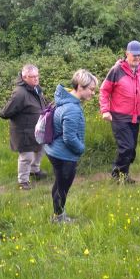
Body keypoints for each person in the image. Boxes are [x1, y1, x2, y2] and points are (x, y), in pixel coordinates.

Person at [100, 40, 140, 184]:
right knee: (127, 147)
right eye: (134, 55)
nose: (137, 58)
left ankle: (122, 174)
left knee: (131, 150)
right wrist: (105, 110)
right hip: (119, 116)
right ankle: (117, 175)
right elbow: (104, 90)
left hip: (137, 116)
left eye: (139, 55)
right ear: (127, 54)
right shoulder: (116, 70)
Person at [44, 69, 97, 223]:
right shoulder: (72, 109)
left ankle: (57, 215)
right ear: (80, 87)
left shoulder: (65, 100)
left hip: (54, 150)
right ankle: (59, 218)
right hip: (63, 155)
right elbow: (69, 138)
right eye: (91, 89)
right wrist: (81, 149)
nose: (93, 93)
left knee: (59, 184)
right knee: (63, 187)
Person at [0, 64, 48, 190]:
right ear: (24, 77)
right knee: (27, 156)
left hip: (38, 128)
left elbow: (42, 102)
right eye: (33, 77)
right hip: (24, 131)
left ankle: (34, 171)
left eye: (37, 76)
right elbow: (5, 113)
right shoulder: (20, 93)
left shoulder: (36, 88)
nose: (36, 79)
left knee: (40, 149)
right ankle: (23, 181)